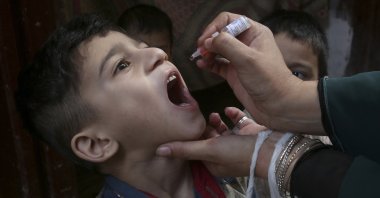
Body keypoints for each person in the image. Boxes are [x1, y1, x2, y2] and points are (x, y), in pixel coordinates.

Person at [156, 12, 380, 197]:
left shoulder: (338, 139)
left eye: (295, 73)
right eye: (123, 65)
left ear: (322, 79)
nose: (156, 53)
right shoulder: (245, 130)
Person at [15, 13, 231, 197]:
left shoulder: (236, 164)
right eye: (122, 65)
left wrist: (261, 156)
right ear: (97, 144)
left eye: (145, 47)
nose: (158, 53)